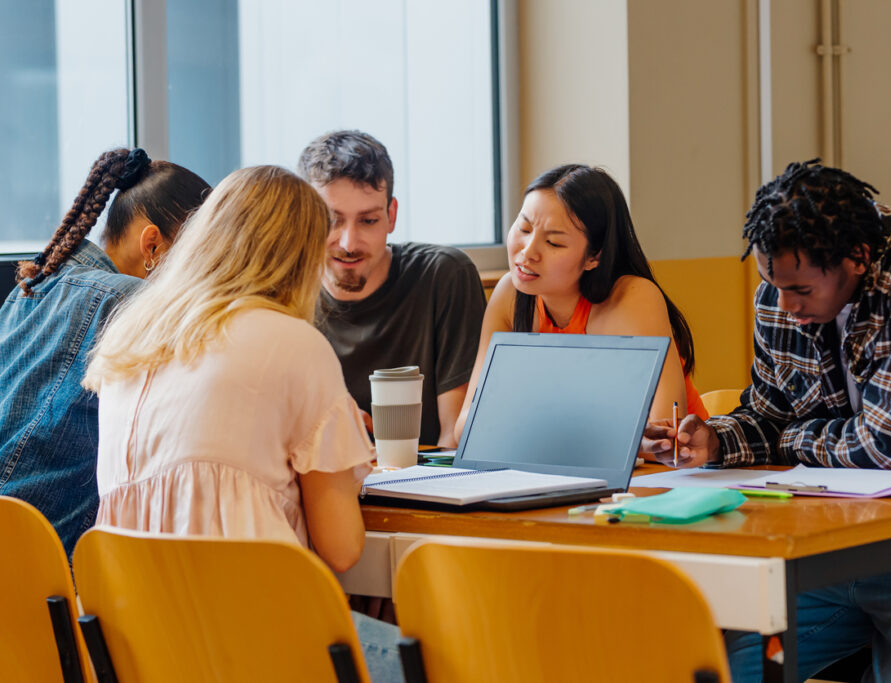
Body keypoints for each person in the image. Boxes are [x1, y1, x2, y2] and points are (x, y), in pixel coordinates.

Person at [645, 160, 891, 682]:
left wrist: (793, 438)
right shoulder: (781, 296)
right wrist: (713, 441)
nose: (783, 304)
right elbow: (768, 415)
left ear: (858, 259)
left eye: (800, 290)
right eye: (770, 283)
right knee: (709, 669)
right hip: (826, 548)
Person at [83, 165, 402, 681]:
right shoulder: (294, 345)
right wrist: (344, 454)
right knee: (441, 651)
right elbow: (342, 549)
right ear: (302, 258)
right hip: (257, 644)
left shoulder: (129, 341)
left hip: (141, 646)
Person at [0, 148, 209, 557]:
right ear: (152, 245)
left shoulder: (29, 289)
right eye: (198, 264)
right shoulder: (131, 302)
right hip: (58, 577)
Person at [455, 163, 707, 444]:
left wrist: (527, 427)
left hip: (674, 476)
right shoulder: (509, 296)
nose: (527, 252)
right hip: (563, 473)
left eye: (553, 243)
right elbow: (467, 426)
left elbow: (664, 436)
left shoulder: (632, 298)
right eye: (524, 228)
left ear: (594, 256)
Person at [297, 130, 486, 448]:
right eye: (332, 220)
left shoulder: (444, 276)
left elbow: (454, 440)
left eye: (368, 221)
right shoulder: (282, 292)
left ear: (391, 215)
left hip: (423, 485)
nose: (349, 243)